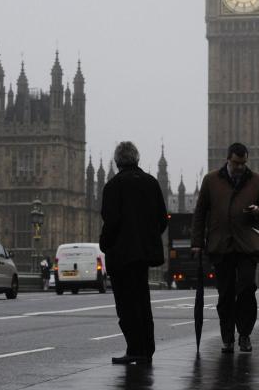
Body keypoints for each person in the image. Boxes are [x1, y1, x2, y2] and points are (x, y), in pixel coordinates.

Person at [191, 142, 259, 354]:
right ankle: (227, 337)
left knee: (246, 289)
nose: (240, 167)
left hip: (247, 245)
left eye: (244, 163)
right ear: (228, 159)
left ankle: (244, 334)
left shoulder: (257, 181)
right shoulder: (211, 180)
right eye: (237, 163)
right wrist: (197, 243)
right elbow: (200, 213)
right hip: (221, 245)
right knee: (225, 294)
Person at [99, 141, 168, 365]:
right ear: (136, 159)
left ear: (118, 162)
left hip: (121, 256)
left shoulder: (113, 186)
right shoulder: (151, 183)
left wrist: (105, 243)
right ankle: (147, 349)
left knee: (126, 305)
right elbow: (162, 219)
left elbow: (110, 222)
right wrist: (148, 238)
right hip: (143, 256)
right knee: (142, 301)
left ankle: (135, 349)